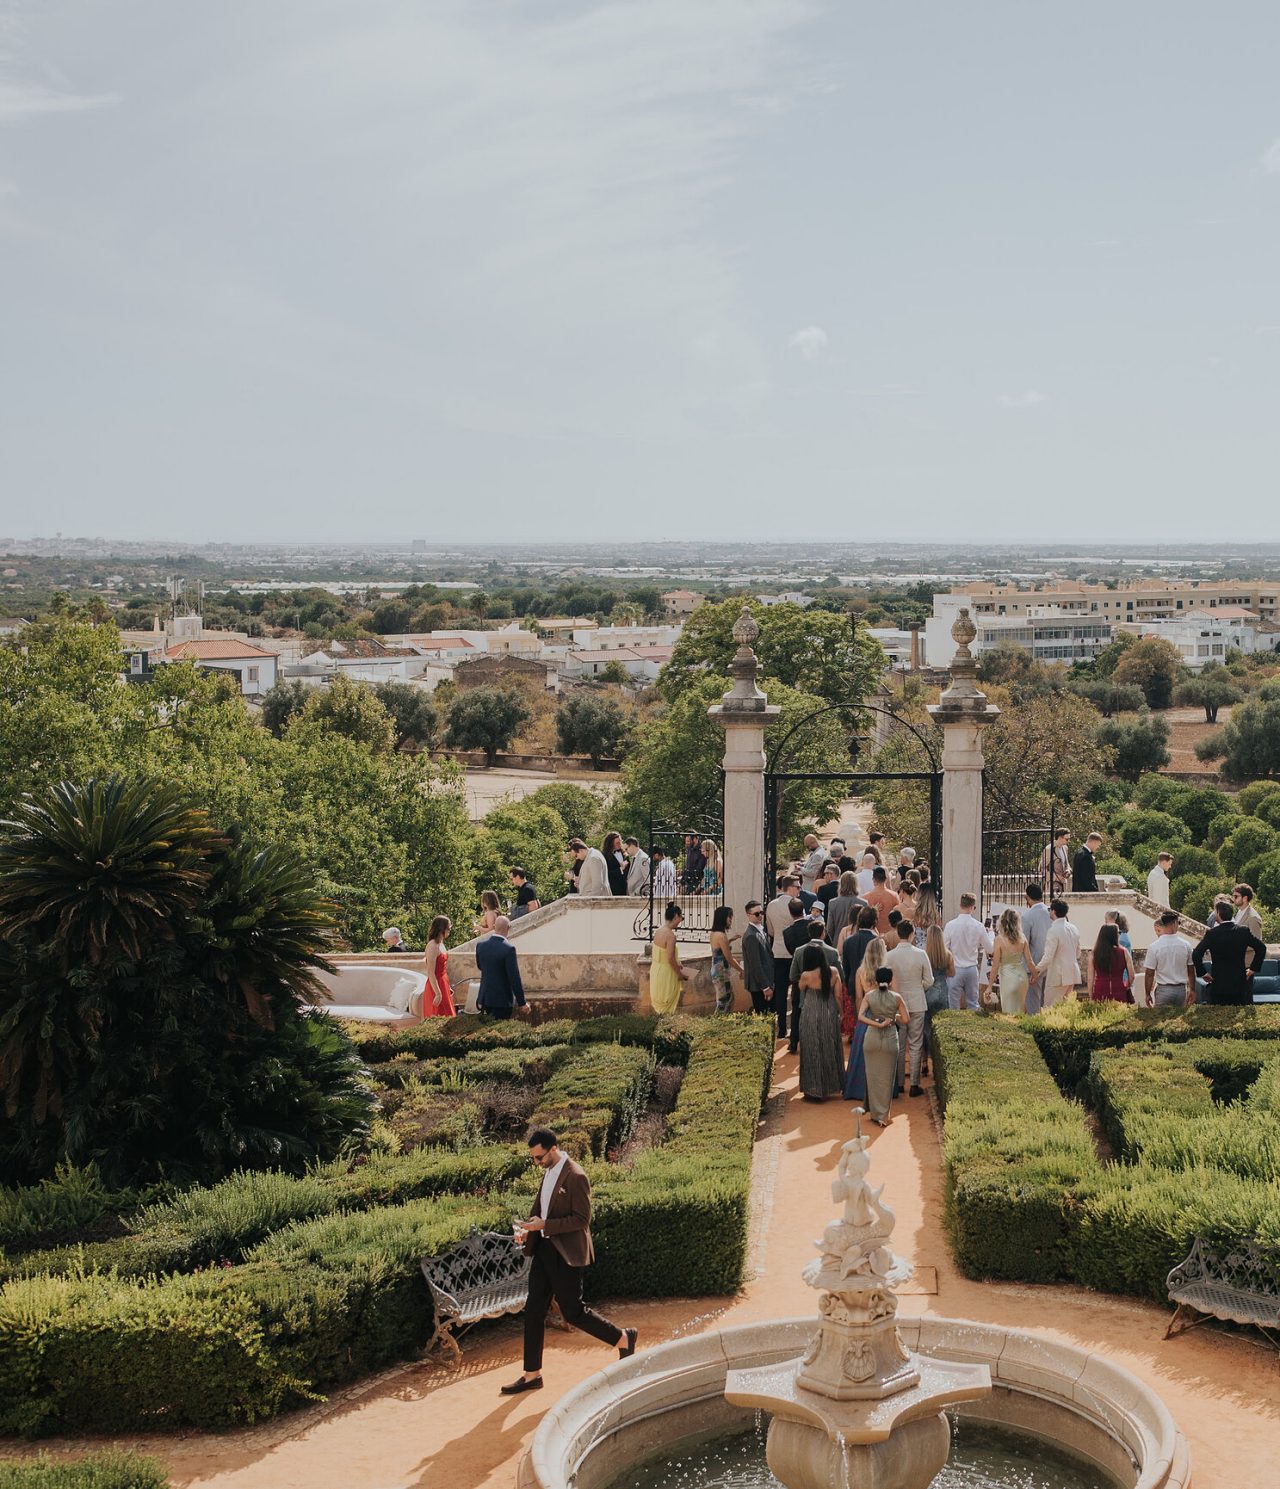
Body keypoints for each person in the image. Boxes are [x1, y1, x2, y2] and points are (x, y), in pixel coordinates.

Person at [503, 1127, 636, 1395]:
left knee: (573, 1311)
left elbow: (582, 1220)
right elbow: (541, 1210)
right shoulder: (549, 1171)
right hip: (544, 1250)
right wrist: (528, 1228)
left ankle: (623, 1338)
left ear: (553, 1149)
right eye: (533, 1158)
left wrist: (546, 1225)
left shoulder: (576, 1176)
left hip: (567, 1255)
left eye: (539, 1157)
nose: (536, 1163)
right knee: (534, 1311)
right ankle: (532, 1374)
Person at [886, 920, 934, 1096]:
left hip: (897, 1003)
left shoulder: (889, 956)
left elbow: (886, 979)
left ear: (898, 933)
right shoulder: (920, 954)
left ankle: (899, 1084)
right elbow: (929, 981)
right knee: (915, 1043)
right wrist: (918, 988)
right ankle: (914, 1084)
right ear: (912, 934)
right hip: (916, 1002)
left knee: (899, 1044)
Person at [1192, 903, 1268, 1006]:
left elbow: (1196, 954)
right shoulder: (1243, 931)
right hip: (1239, 984)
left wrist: (1203, 973)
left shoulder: (1212, 933)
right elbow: (1261, 948)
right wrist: (1253, 969)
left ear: (1218, 913)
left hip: (1218, 984)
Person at [796, 943, 845, 1100]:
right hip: (829, 1011)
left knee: (811, 1048)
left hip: (810, 1012)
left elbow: (801, 988)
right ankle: (833, 1085)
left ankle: (813, 1089)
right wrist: (842, 1013)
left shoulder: (806, 975)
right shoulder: (834, 972)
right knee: (830, 1046)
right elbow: (838, 996)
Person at [843, 933, 888, 1105]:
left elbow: (858, 998)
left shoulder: (860, 971)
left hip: (866, 1014)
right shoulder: (886, 971)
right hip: (882, 1014)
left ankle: (858, 1088)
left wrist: (859, 1017)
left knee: (861, 1053)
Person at [861, 967, 908, 1127]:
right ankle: (883, 1115)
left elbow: (860, 1016)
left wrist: (876, 1023)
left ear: (875, 980)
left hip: (871, 1039)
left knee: (872, 1077)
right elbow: (906, 1019)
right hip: (889, 1039)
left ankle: (875, 1113)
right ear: (890, 980)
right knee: (887, 1079)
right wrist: (892, 1017)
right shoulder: (897, 997)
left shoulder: (868, 996)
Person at [943, 893, 993, 1011]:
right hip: (971, 968)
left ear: (960, 905)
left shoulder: (950, 925)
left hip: (954, 969)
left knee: (953, 1006)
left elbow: (944, 948)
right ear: (972, 907)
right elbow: (990, 949)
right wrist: (991, 934)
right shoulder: (979, 926)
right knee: (973, 1004)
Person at [766, 876, 801, 1041]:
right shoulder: (795, 904)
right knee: (796, 991)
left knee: (780, 991)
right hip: (794, 952)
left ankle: (781, 1028)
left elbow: (770, 931)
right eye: (797, 887)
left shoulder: (771, 905)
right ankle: (794, 1027)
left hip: (778, 951)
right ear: (790, 888)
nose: (799, 890)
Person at [475, 915, 527, 1018]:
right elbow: (514, 977)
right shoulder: (508, 949)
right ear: (508, 928)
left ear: (494, 927)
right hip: (502, 1000)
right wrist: (522, 1002)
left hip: (485, 998)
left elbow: (480, 967)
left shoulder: (480, 946)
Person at [989, 907, 1037, 1014]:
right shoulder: (1022, 938)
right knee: (1021, 1012)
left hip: (1008, 979)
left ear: (1002, 922)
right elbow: (1030, 961)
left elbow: (995, 966)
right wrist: (1035, 975)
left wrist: (989, 986)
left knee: (1008, 1013)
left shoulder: (999, 940)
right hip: (1022, 978)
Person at [1035, 899, 1081, 1009]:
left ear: (1053, 911)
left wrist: (1036, 970)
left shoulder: (1054, 930)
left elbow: (1048, 957)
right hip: (1072, 973)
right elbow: (1078, 953)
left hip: (1058, 975)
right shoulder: (1073, 928)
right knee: (1066, 1010)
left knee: (1050, 1008)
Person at [1143, 912, 1196, 1008]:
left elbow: (1149, 973)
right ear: (1175, 923)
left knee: (1160, 1019)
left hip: (1163, 989)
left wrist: (1147, 994)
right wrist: (1192, 989)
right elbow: (1191, 970)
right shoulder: (1186, 945)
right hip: (1181, 990)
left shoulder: (1154, 946)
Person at [649, 902, 690, 1014]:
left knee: (660, 1006)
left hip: (656, 970)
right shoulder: (670, 935)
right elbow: (670, 959)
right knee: (667, 1006)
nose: (681, 921)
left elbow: (662, 954)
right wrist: (680, 974)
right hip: (667, 973)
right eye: (681, 917)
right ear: (676, 916)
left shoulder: (658, 931)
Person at [782, 897, 811, 1054]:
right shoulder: (813, 926)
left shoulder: (787, 933)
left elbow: (791, 951)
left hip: (799, 974)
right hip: (816, 974)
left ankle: (794, 1042)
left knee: (796, 1009)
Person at [740, 900, 774, 1017]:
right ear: (749, 915)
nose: (760, 916)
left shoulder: (760, 930)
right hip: (759, 985)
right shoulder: (751, 936)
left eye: (761, 912)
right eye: (756, 914)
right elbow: (756, 964)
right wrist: (765, 987)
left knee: (769, 1016)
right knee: (763, 1017)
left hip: (766, 981)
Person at [1020, 883, 1051, 1014]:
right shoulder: (1051, 912)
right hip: (1050, 963)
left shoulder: (1027, 916)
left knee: (1033, 1005)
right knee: (1047, 1004)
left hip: (1033, 964)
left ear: (1027, 897)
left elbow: (1024, 943)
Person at [1087, 922, 1134, 1003]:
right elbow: (1132, 975)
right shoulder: (1124, 952)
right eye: (1118, 932)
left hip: (1100, 990)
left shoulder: (1094, 954)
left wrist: (1091, 995)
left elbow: (1090, 979)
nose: (1119, 934)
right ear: (1114, 935)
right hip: (1119, 989)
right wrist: (1127, 986)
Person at [708, 906, 742, 1013]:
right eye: (729, 917)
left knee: (727, 999)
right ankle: (718, 1025)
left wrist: (730, 940)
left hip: (718, 970)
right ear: (723, 918)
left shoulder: (715, 933)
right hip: (721, 972)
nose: (731, 920)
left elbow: (719, 950)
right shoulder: (721, 935)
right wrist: (741, 970)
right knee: (724, 1001)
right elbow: (729, 958)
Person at [423, 916, 458, 1017]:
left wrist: (447, 986)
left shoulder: (441, 943)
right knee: (439, 1015)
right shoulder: (432, 946)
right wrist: (438, 993)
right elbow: (431, 972)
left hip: (443, 983)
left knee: (448, 1016)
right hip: (435, 986)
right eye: (448, 928)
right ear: (442, 929)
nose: (449, 931)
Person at [825, 871, 868, 948]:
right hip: (857, 944)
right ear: (856, 884)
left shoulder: (833, 903)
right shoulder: (864, 903)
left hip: (837, 943)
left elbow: (830, 929)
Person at [1037, 829, 1072, 897]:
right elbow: (1041, 868)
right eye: (1066, 839)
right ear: (1059, 838)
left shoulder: (1065, 848)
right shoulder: (1049, 849)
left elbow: (1066, 863)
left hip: (1063, 884)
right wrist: (1056, 877)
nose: (1068, 841)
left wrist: (1068, 870)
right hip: (1052, 885)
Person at [866, 866, 900, 936]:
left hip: (873, 935)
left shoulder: (866, 897)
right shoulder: (894, 896)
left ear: (873, 880)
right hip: (890, 934)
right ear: (886, 879)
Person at [602, 832, 629, 897]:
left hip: (626, 888)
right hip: (613, 889)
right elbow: (606, 874)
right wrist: (620, 869)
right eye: (617, 843)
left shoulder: (625, 853)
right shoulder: (604, 856)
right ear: (610, 844)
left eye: (620, 842)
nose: (620, 844)